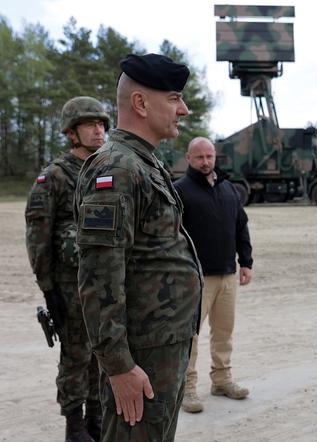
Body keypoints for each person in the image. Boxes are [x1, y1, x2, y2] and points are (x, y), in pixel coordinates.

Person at [75, 53, 202, 441]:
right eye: (174, 98)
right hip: (140, 356)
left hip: (162, 346)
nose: (183, 108)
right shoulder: (118, 168)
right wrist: (118, 366)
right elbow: (99, 278)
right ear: (141, 104)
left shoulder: (144, 162)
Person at [26, 96, 109, 442]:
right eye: (90, 125)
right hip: (69, 284)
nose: (99, 130)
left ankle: (96, 418)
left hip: (104, 282)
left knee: (102, 352)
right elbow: (38, 235)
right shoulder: (55, 176)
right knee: (76, 353)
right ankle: (74, 426)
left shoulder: (106, 169)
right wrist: (49, 289)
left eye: (102, 124)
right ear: (72, 132)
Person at [173, 137, 254, 413]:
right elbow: (170, 237)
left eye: (209, 156)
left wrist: (246, 261)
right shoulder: (179, 191)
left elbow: (241, 226)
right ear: (189, 158)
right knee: (190, 336)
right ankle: (187, 390)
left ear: (215, 156)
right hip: (196, 279)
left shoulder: (228, 188)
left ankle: (222, 381)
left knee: (223, 333)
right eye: (199, 157)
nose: (205, 162)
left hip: (227, 276)